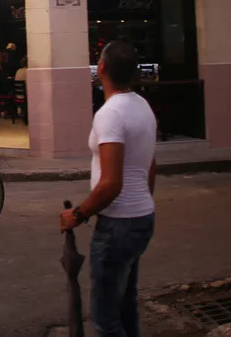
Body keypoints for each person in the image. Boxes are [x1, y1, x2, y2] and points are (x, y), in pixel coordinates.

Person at [59, 41, 157, 337]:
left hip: (119, 225)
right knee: (125, 305)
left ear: (100, 68)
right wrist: (141, 202)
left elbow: (112, 184)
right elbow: (150, 165)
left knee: (104, 318)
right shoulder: (142, 106)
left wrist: (77, 214)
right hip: (141, 218)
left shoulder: (110, 114)